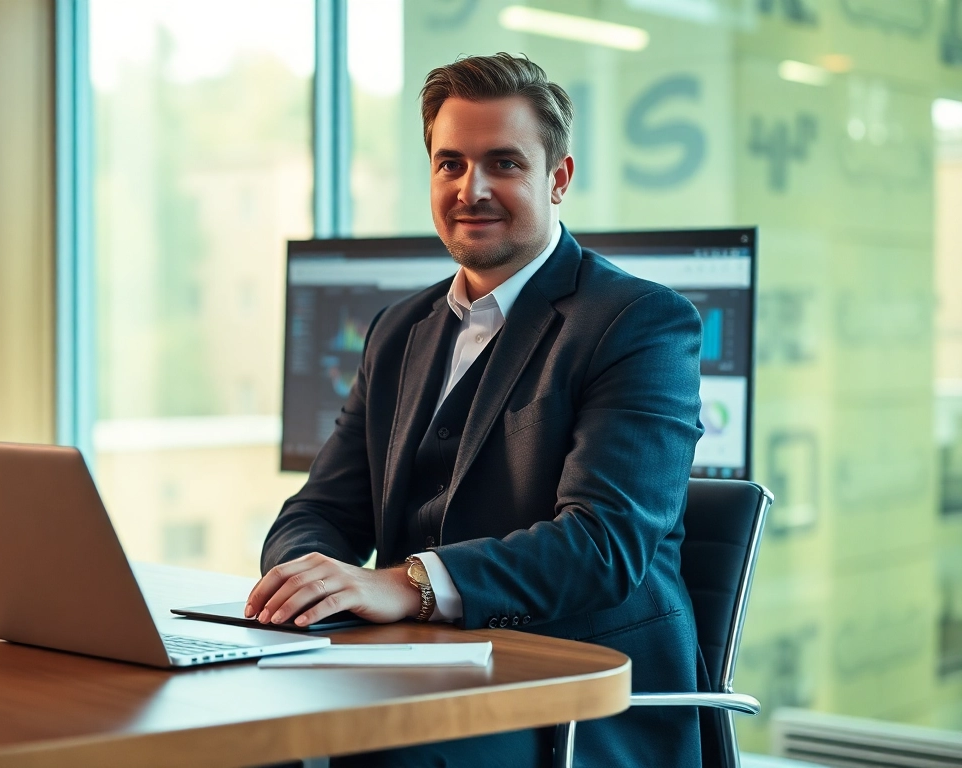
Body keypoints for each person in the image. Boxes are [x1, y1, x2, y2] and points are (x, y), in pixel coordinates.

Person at [245, 53, 706, 766]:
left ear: (558, 178)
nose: (472, 189)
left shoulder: (640, 322)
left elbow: (602, 546)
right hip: (419, 675)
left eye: (504, 164)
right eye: (450, 163)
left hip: (575, 697)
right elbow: (323, 510)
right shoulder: (401, 327)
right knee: (239, 737)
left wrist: (406, 584)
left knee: (369, 754)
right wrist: (308, 587)